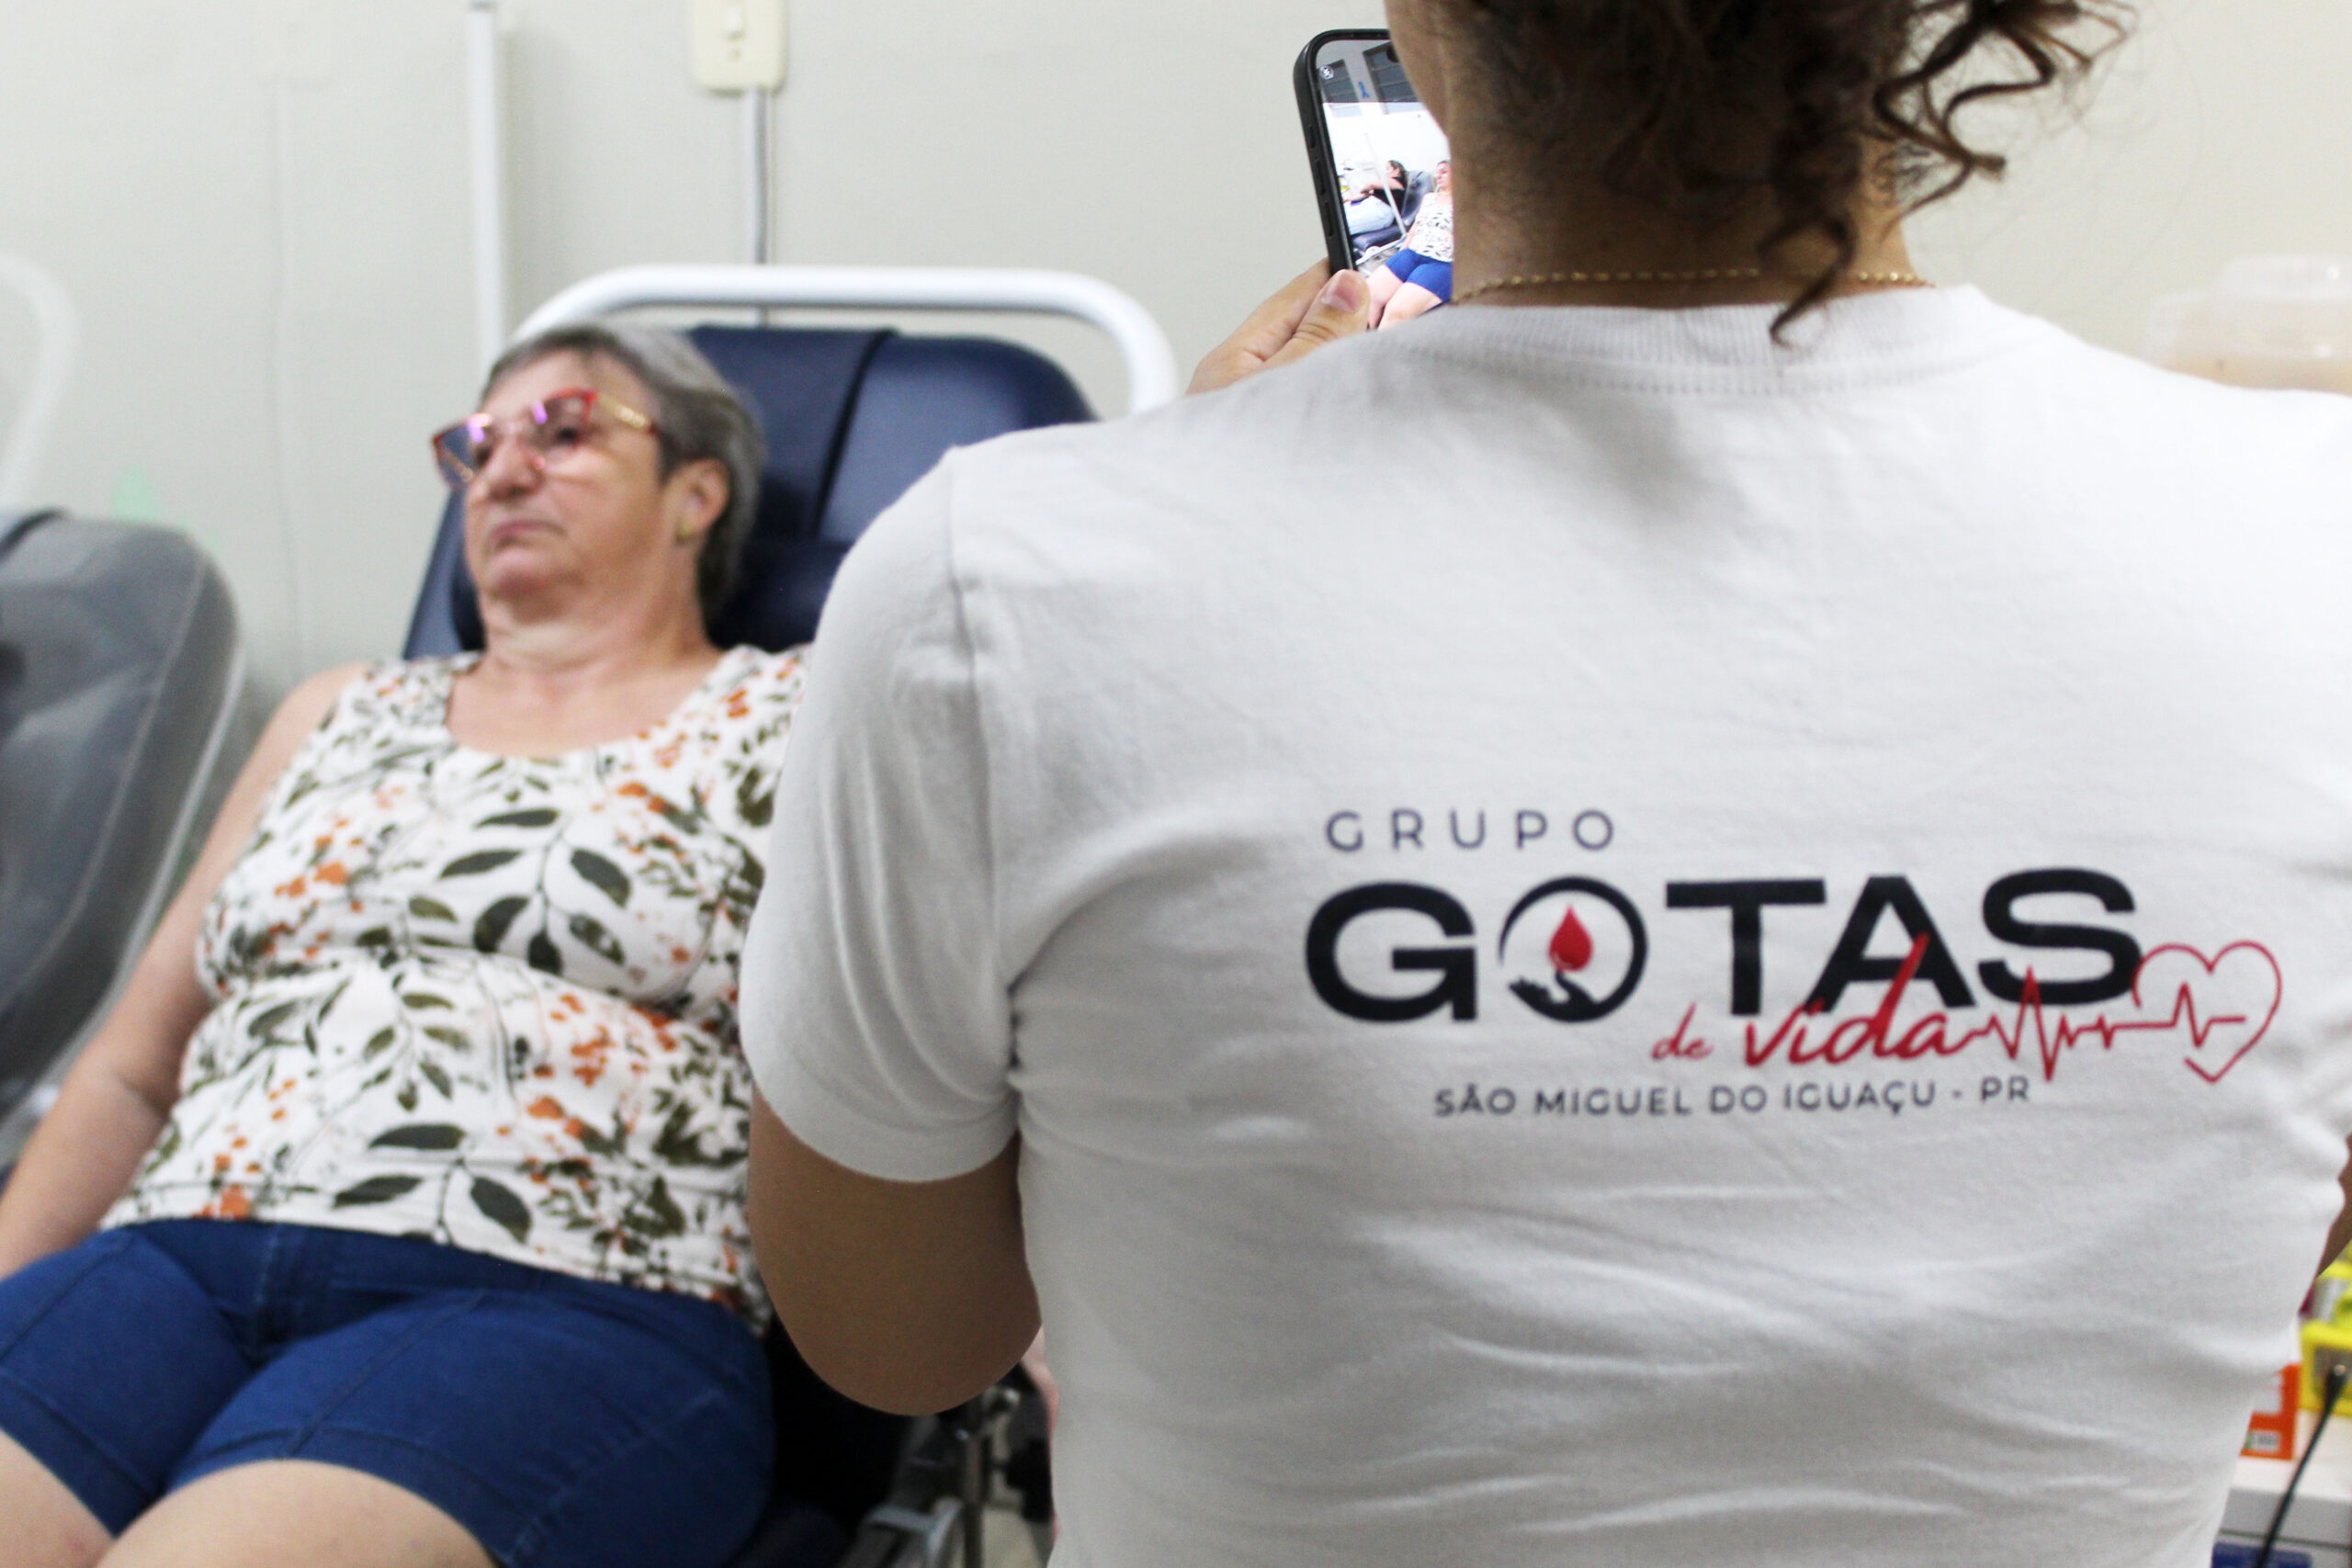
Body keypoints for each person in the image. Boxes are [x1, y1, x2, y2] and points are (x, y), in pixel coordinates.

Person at [740, 0, 2352, 1563]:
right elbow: (2260, 1230)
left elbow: (899, 1337)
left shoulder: (1012, 583)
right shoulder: (2310, 539)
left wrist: (1183, 527)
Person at [0, 321, 800, 1568]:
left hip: (562, 1286)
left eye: (563, 431)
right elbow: (134, 1072)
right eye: (477, 445)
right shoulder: (336, 710)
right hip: (169, 1258)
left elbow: (935, 1044)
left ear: (697, 492)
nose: (502, 471)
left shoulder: (794, 711)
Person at [1366, 160, 1453, 326]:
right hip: (1412, 253)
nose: (1438, 175)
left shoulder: (1466, 204)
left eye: (1444, 171)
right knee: (1368, 296)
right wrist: (1401, 255)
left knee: (1395, 312)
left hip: (1441, 262)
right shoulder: (1429, 198)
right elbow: (1415, 228)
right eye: (1437, 172)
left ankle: (1380, 343)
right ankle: (1361, 338)